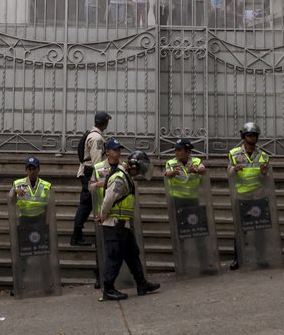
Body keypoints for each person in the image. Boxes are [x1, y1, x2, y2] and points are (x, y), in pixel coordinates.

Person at [97, 151, 160, 300]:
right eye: (139, 170)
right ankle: (108, 289)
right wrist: (103, 215)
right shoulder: (119, 178)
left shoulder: (127, 177)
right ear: (133, 166)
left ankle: (141, 283)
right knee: (115, 257)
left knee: (132, 254)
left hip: (123, 223)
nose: (139, 173)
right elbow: (108, 199)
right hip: (114, 224)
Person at [163, 138, 212, 273]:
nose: (177, 153)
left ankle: (204, 265)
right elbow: (166, 173)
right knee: (180, 235)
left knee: (199, 233)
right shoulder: (171, 163)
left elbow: (203, 169)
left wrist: (196, 170)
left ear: (188, 151)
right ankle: (182, 266)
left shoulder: (195, 161)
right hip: (177, 202)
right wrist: (171, 173)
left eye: (180, 150)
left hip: (193, 201)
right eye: (176, 150)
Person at [228, 121, 271, 269]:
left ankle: (261, 257)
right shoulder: (234, 154)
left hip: (258, 195)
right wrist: (234, 170)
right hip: (242, 196)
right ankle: (238, 258)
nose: (252, 137)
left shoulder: (263, 156)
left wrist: (264, 173)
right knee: (240, 230)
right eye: (249, 135)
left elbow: (267, 179)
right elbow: (229, 173)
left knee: (260, 229)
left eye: (254, 135)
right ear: (243, 136)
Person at [12, 156, 54, 289]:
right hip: (24, 221)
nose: (32, 171)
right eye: (29, 169)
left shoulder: (46, 185)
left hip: (40, 221)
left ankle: (46, 283)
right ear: (26, 170)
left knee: (43, 254)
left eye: (34, 168)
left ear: (38, 169)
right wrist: (14, 192)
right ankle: (19, 284)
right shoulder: (17, 184)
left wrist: (47, 223)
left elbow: (50, 207)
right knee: (23, 255)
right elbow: (10, 199)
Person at [71, 110, 111, 246]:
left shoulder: (92, 134)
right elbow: (97, 162)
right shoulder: (97, 138)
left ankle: (77, 235)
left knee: (87, 205)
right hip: (90, 175)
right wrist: (101, 180)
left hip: (87, 173)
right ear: (105, 123)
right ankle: (76, 236)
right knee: (85, 205)